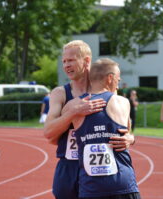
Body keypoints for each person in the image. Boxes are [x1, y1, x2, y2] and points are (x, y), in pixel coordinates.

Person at [43, 40, 135, 199]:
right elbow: (49, 132)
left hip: (101, 170)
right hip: (70, 166)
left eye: (71, 60)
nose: (66, 65)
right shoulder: (60, 94)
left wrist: (130, 139)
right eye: (64, 61)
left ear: (86, 61)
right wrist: (74, 112)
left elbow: (126, 128)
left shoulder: (107, 92)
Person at [71, 58, 140, 199]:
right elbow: (127, 132)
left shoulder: (72, 106)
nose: (118, 86)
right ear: (110, 78)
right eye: (118, 80)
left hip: (90, 187)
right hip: (123, 184)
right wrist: (131, 139)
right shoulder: (123, 102)